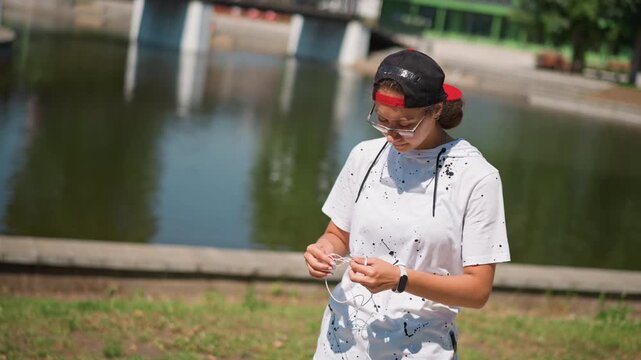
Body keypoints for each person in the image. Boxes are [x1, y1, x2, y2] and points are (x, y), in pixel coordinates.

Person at [303, 49, 510, 359]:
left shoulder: (477, 178)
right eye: (383, 120)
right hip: (341, 339)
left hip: (419, 348)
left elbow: (478, 291)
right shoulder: (364, 155)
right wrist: (323, 251)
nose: (392, 135)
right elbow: (339, 235)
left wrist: (401, 279)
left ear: (436, 110)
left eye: (406, 124)